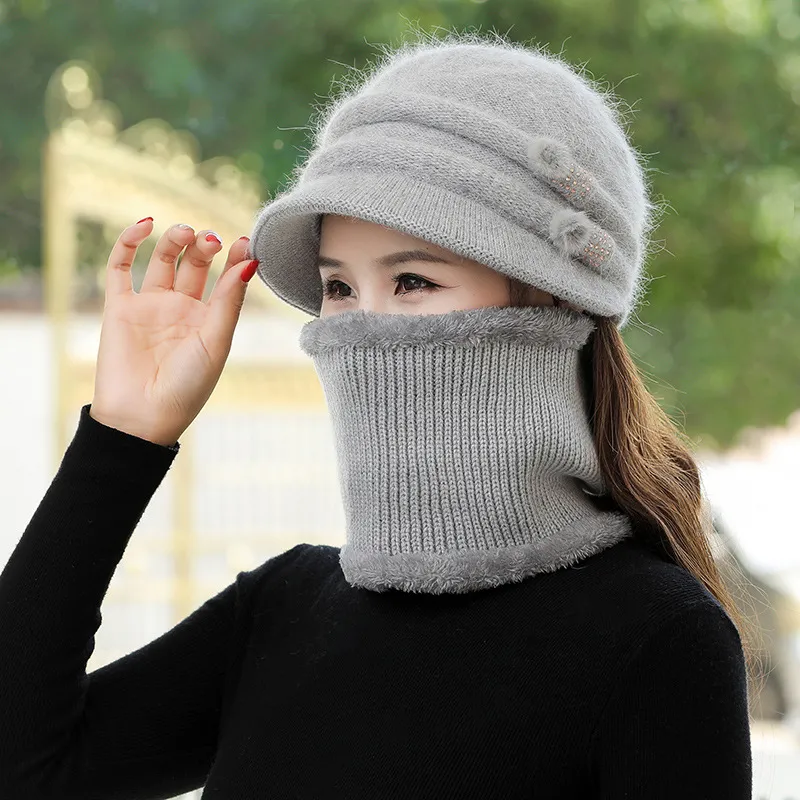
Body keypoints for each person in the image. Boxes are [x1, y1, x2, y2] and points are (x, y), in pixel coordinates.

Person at [0, 28, 754, 799]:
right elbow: (24, 766)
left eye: (413, 281)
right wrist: (122, 438)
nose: (363, 327)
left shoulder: (658, 637)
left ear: (554, 301)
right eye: (338, 288)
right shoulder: (283, 608)